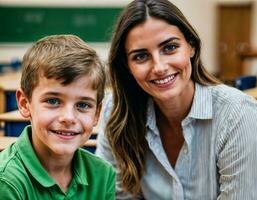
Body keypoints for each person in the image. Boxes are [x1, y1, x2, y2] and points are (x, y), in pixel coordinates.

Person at [95, 0, 257, 199]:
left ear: (191, 46)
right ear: (127, 66)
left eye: (170, 47)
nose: (159, 67)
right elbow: (118, 196)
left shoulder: (237, 114)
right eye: (141, 56)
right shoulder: (116, 112)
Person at [0, 35, 116, 199]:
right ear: (25, 104)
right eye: (53, 101)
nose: (68, 117)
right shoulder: (7, 182)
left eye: (83, 105)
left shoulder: (103, 175)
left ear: (97, 113)